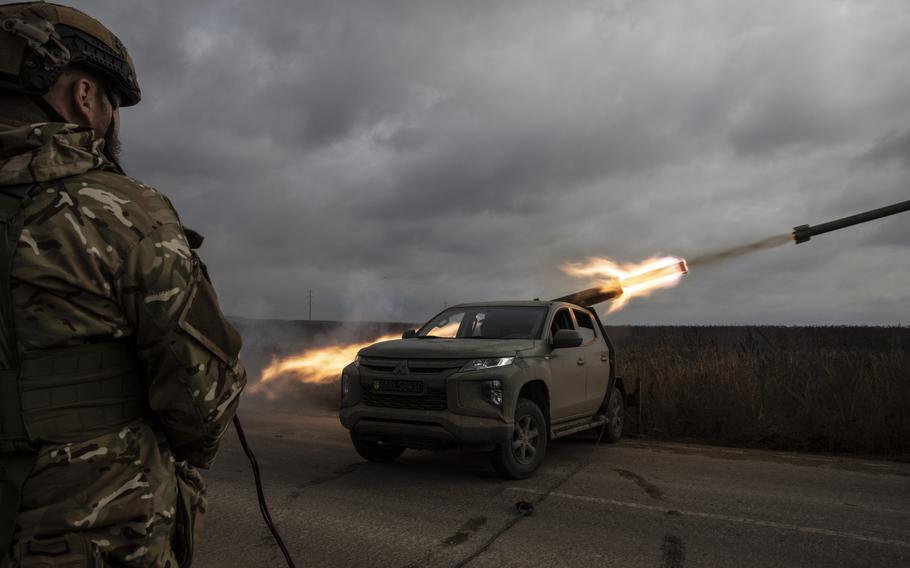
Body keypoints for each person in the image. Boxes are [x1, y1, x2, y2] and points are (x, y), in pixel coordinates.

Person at [0, 2, 246, 566]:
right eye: (113, 103)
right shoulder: (124, 212)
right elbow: (202, 401)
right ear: (85, 97)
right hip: (94, 533)